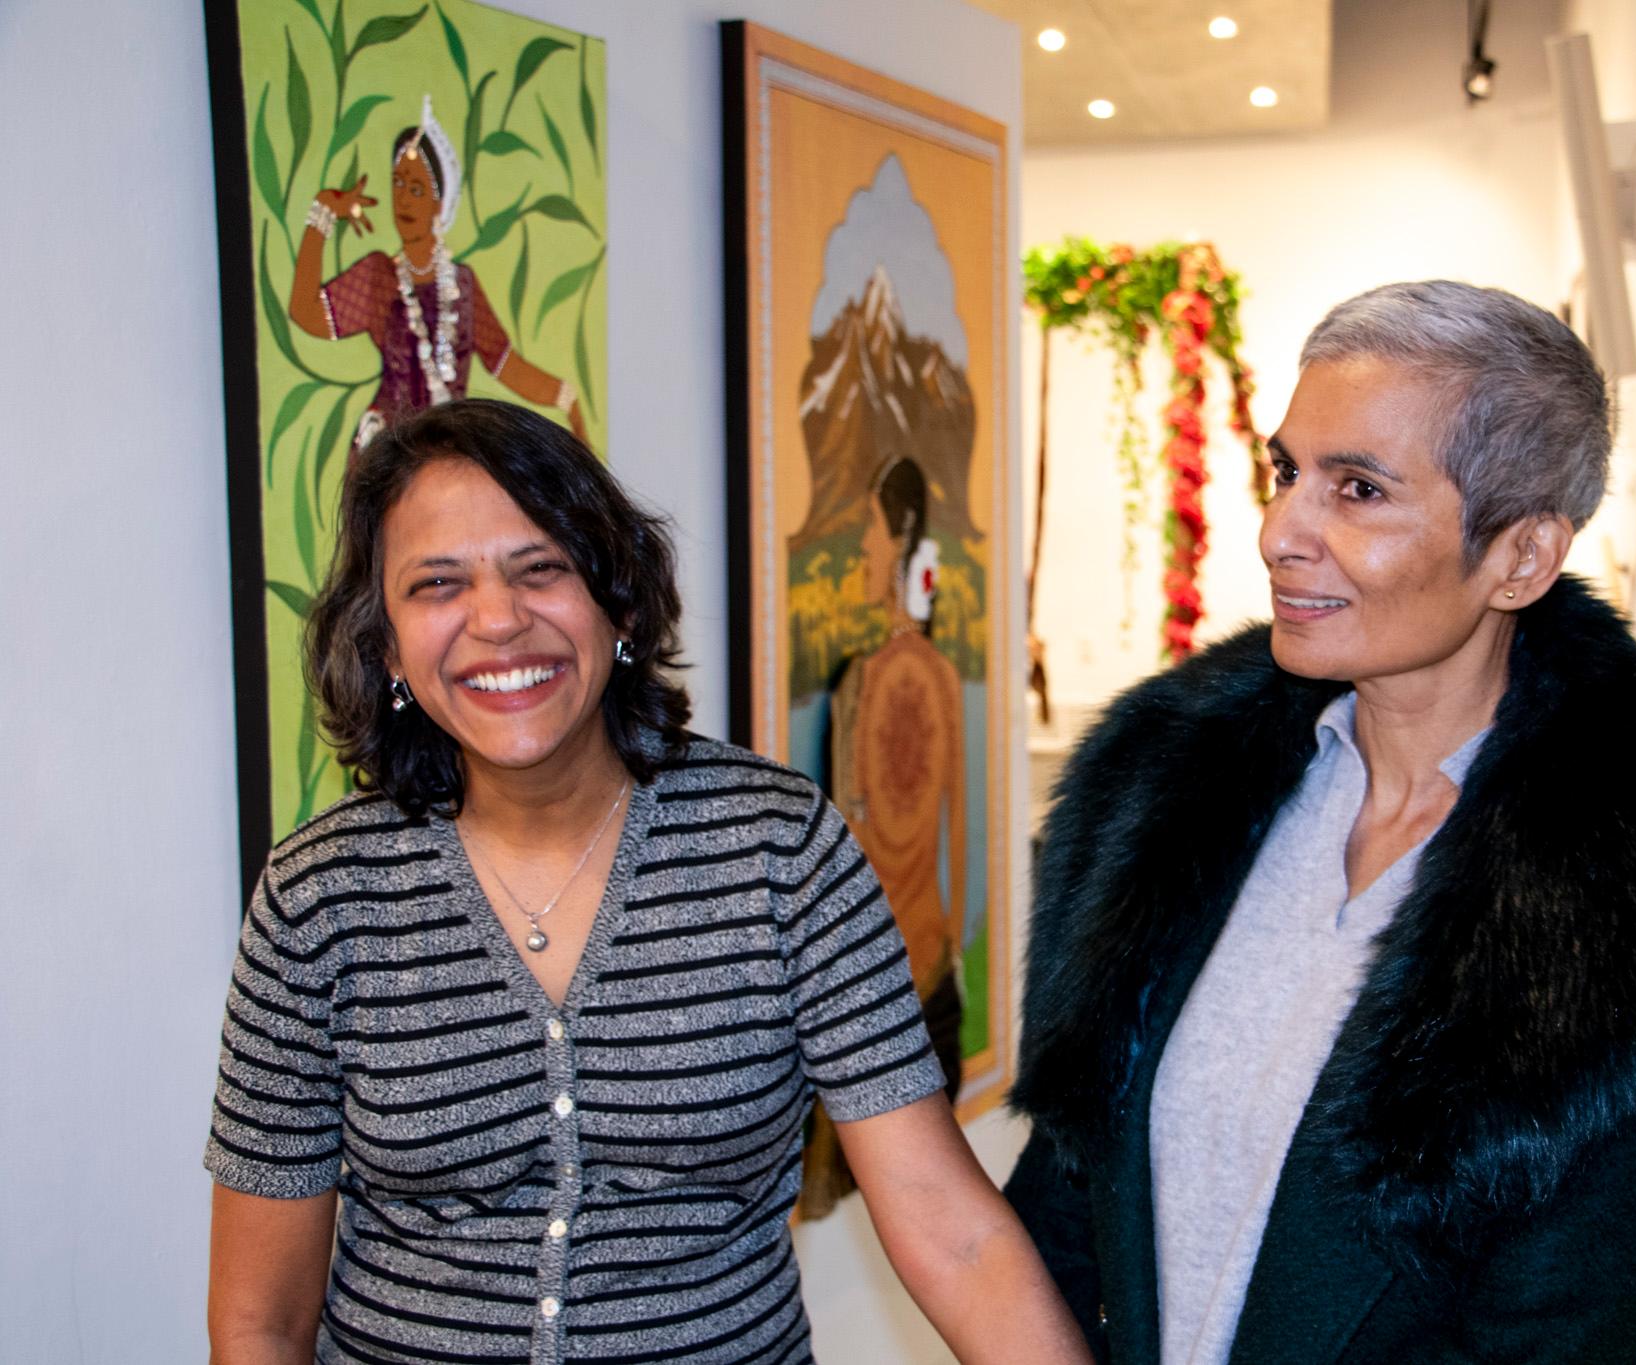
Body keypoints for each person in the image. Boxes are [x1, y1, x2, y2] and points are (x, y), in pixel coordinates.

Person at [1004, 281, 1636, 1364]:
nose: (1282, 531)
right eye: (1286, 472)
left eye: (1359, 490)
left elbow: (1549, 1336)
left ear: (1519, 556)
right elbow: (1065, 1202)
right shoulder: (1163, 796)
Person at [205, 399, 1088, 1364]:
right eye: (437, 584)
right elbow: (261, 1321)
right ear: (388, 649)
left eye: (542, 568)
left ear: (618, 605)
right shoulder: (318, 898)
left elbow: (954, 1235)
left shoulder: (779, 850)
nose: (498, 619)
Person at [802, 456, 970, 1217]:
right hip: (933, 958)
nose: (865, 550)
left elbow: (861, 837)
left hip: (880, 974)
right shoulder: (938, 674)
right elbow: (955, 838)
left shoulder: (870, 680)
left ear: (899, 534)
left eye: (871, 529)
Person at [288, 96, 586, 454]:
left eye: (417, 189)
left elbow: (506, 365)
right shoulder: (379, 277)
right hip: (388, 457)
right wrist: (322, 213)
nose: (404, 200)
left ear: (439, 202)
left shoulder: (463, 285)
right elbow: (306, 311)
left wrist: (568, 399)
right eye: (397, 184)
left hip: (450, 457)